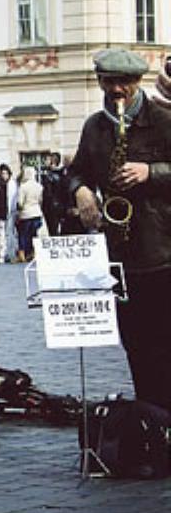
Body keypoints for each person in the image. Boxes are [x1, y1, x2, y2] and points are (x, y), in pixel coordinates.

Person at [66, 48, 171, 412]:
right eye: (109, 82)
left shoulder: (164, 119)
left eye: (124, 82)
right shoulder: (95, 126)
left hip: (163, 251)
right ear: (99, 81)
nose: (117, 90)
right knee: (136, 343)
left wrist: (150, 172)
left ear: (138, 82)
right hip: (120, 255)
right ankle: (151, 419)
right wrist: (80, 190)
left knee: (165, 341)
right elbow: (77, 170)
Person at [14, 166, 44, 263]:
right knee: (34, 235)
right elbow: (40, 200)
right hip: (37, 212)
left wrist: (18, 211)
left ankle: (22, 255)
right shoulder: (39, 186)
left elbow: (20, 202)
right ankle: (33, 253)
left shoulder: (23, 186)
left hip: (26, 214)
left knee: (23, 235)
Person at [38, 152, 67, 237]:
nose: (45, 162)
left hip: (51, 206)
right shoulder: (63, 173)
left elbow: (48, 193)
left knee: (53, 231)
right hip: (61, 205)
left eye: (47, 159)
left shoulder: (49, 175)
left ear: (53, 161)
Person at [0, 164, 18, 262]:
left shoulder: (11, 184)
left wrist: (9, 211)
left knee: (10, 233)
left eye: (5, 173)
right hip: (7, 211)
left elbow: (11, 199)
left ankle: (11, 253)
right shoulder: (5, 184)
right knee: (8, 233)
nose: (3, 175)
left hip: (10, 211)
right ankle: (8, 252)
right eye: (2, 173)